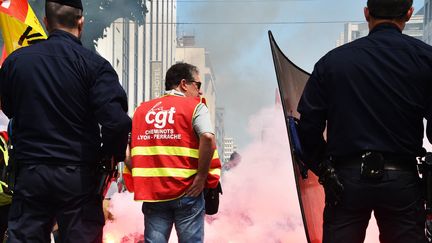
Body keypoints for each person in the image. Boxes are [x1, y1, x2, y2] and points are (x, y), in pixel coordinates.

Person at [297, 0, 430, 243]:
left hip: (346, 181)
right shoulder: (425, 58)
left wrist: (324, 170)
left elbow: (307, 127)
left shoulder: (332, 62)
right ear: (409, 14)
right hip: (402, 180)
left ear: (367, 13)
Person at [0, 0, 131, 242]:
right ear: (81, 21)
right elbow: (117, 123)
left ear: (47, 22)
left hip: (31, 173)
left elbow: (8, 109)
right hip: (78, 177)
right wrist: (109, 157)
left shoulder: (16, 63)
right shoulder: (95, 66)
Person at [128, 63, 221, 243]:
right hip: (188, 190)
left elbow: (127, 150)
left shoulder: (141, 110)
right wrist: (201, 177)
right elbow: (208, 138)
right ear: (184, 84)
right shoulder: (195, 107)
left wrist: (142, 175)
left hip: (154, 193)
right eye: (198, 85)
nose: (200, 92)